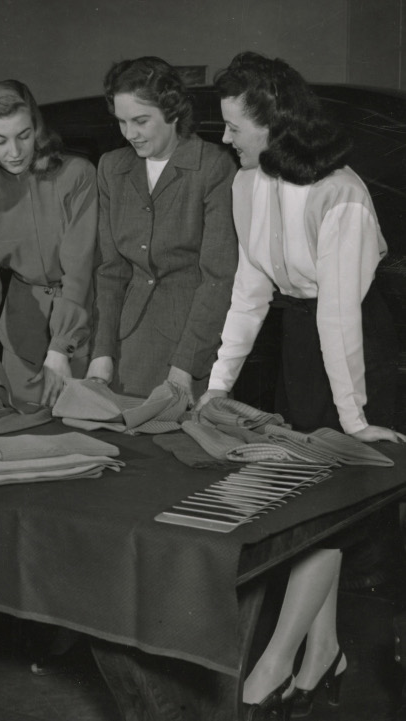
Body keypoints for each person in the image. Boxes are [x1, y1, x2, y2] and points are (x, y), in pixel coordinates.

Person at [195, 51, 406, 718]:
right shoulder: (246, 184)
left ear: (276, 122)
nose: (224, 138)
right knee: (306, 503)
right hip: (300, 346)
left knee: (330, 510)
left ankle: (276, 663)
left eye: (234, 126)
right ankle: (324, 655)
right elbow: (250, 290)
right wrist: (217, 385)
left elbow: (342, 312)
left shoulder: (341, 192)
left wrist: (355, 418)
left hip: (358, 347)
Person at [86, 57, 237, 404]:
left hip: (192, 343)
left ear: (173, 111)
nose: (129, 134)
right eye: (122, 122)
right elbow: (110, 271)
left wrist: (185, 365)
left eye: (141, 121)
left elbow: (219, 277)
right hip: (126, 344)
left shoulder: (213, 167)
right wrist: (101, 353)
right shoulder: (112, 167)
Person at [0, 79, 97, 407]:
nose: (13, 152)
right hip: (21, 334)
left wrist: (61, 346)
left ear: (38, 130)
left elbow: (80, 267)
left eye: (23, 136)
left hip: (80, 328)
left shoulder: (77, 175)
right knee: (24, 434)